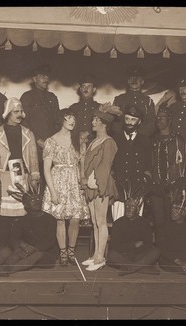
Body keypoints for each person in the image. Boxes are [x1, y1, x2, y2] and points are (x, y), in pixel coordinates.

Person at [42, 109, 90, 266]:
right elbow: (46, 169)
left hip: (74, 182)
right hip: (57, 182)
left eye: (74, 118)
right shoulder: (51, 141)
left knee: (75, 219)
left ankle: (71, 250)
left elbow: (82, 164)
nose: (72, 120)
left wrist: (82, 182)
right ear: (60, 120)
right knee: (60, 219)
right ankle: (62, 252)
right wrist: (53, 192)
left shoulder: (79, 140)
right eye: (68, 117)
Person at [81, 103, 121, 271]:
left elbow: (105, 166)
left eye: (96, 120)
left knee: (101, 220)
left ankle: (100, 257)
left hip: (101, 185)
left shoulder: (109, 142)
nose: (93, 122)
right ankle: (96, 254)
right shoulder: (93, 142)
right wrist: (84, 179)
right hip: (90, 185)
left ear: (104, 124)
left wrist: (95, 181)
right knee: (94, 222)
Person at [0, 98, 40, 217]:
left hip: (24, 179)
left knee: (23, 215)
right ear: (8, 113)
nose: (20, 114)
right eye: (16, 112)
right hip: (4, 178)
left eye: (21, 111)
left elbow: (33, 159)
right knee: (4, 214)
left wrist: (34, 178)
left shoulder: (28, 134)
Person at [0, 183, 58, 277]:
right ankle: (6, 266)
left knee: (37, 255)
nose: (37, 201)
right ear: (26, 204)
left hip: (46, 254)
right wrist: (22, 245)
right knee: (17, 251)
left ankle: (10, 270)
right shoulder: (21, 221)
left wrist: (32, 250)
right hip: (26, 251)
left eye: (38, 199)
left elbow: (49, 241)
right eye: (32, 200)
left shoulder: (50, 219)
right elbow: (13, 239)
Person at [20, 64, 61, 188]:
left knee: (52, 182)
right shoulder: (27, 97)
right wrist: (37, 139)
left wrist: (54, 141)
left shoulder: (52, 98)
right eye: (42, 76)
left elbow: (58, 121)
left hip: (50, 147)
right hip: (33, 147)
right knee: (35, 183)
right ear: (34, 79)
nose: (46, 79)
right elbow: (23, 122)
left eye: (47, 76)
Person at [107, 183, 161, 276]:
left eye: (132, 207)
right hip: (124, 254)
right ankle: (141, 268)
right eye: (127, 206)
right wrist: (133, 245)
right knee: (111, 255)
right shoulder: (118, 223)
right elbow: (115, 245)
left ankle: (130, 268)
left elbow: (148, 243)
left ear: (137, 209)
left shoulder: (143, 222)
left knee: (156, 251)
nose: (128, 209)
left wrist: (137, 249)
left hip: (139, 254)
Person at [111, 105, 153, 221]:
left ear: (139, 122)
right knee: (118, 222)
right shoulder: (115, 140)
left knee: (136, 224)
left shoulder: (145, 141)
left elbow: (149, 165)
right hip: (120, 189)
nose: (129, 122)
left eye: (133, 120)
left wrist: (144, 185)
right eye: (127, 119)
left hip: (137, 189)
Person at [150, 106, 186, 230]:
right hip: (156, 189)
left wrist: (174, 187)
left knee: (173, 224)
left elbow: (181, 167)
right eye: (158, 117)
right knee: (158, 223)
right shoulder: (152, 141)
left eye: (163, 118)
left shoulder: (178, 141)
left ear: (170, 120)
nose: (159, 120)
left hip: (173, 190)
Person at [112, 65, 156, 138]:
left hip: (142, 140)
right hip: (122, 139)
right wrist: (124, 137)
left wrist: (138, 137)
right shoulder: (119, 99)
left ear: (142, 81)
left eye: (137, 78)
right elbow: (115, 123)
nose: (134, 80)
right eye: (131, 78)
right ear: (128, 81)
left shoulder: (148, 101)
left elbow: (151, 124)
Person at [68, 73, 101, 144]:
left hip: (94, 144)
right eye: (83, 86)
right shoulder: (73, 108)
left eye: (89, 86)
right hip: (76, 144)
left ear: (94, 89)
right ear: (80, 89)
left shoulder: (99, 108)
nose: (86, 89)